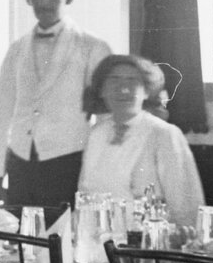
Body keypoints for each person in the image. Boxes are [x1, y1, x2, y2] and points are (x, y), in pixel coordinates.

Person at [0, 0, 113, 223]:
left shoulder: (92, 47)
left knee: (61, 246)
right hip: (20, 165)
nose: (43, 1)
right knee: (21, 247)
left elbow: (104, 120)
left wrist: (93, 177)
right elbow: (0, 116)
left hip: (67, 166)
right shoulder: (16, 50)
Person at [76, 54, 205, 224]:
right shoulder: (96, 134)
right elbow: (85, 195)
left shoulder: (164, 134)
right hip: (96, 237)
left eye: (132, 81)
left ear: (146, 91)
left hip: (146, 242)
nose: (123, 89)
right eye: (114, 80)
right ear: (102, 90)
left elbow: (186, 206)